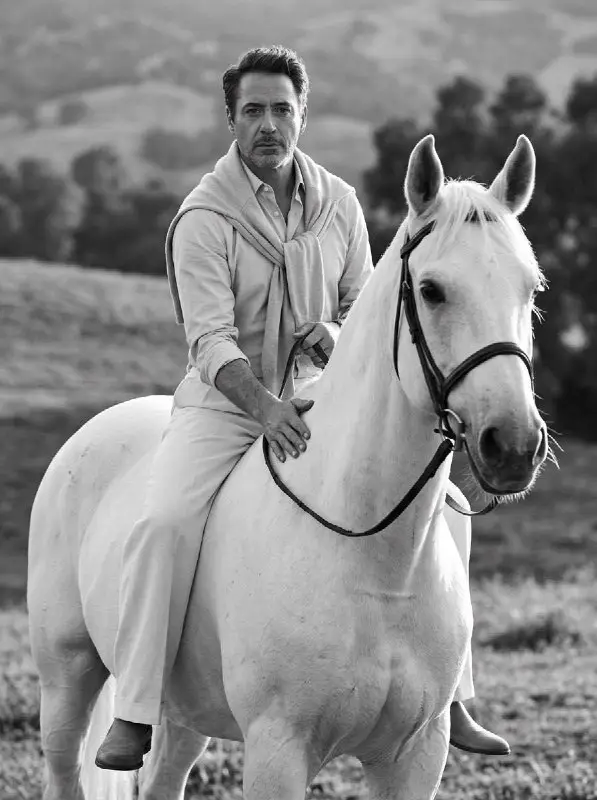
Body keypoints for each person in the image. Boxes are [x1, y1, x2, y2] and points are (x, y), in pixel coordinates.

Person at [95, 45, 509, 771]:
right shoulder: (203, 217)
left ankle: (454, 693)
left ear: (302, 115)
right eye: (252, 110)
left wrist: (335, 335)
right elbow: (207, 338)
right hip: (225, 409)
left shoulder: (340, 206)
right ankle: (135, 707)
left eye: (281, 109)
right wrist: (261, 405)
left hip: (323, 398)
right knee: (163, 523)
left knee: (441, 500)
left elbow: (368, 307)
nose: (268, 124)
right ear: (230, 118)